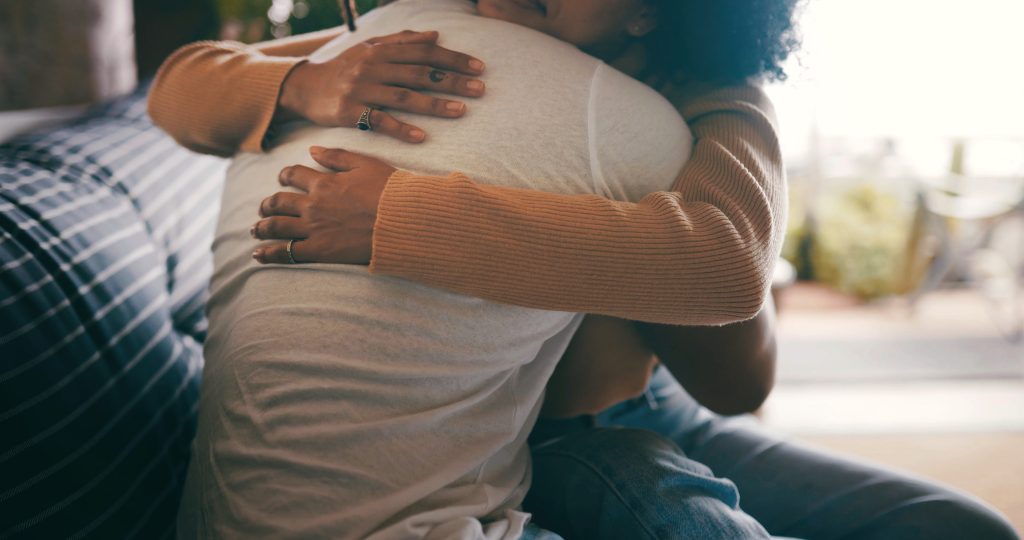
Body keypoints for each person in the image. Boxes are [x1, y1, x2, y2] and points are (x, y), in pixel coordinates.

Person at [150, 1, 1020, 539]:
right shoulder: (439, 40)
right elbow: (179, 83)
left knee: (955, 525)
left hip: (646, 408)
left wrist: (398, 218)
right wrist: (304, 83)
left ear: (653, 11)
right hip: (543, 443)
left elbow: (729, 311)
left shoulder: (710, 102)